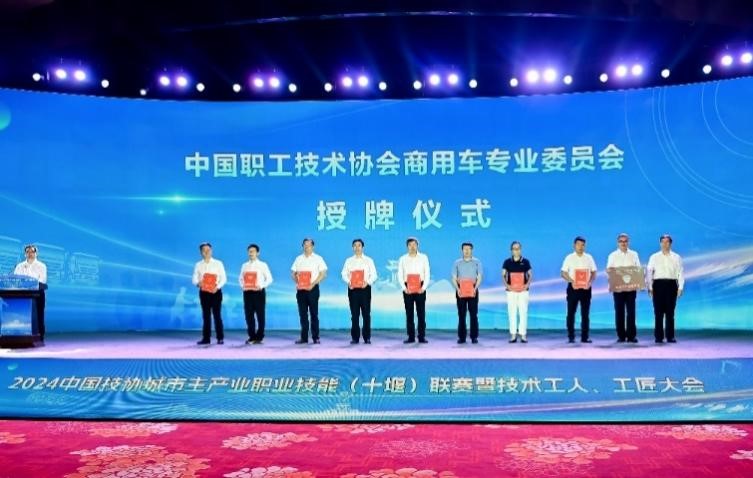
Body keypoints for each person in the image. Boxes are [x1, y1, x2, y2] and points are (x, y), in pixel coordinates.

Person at [646, 234, 684, 344]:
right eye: (662, 242)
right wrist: (650, 287)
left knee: (670, 312)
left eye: (667, 242)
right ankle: (658, 337)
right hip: (658, 285)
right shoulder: (654, 257)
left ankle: (670, 336)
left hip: (671, 285)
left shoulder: (677, 257)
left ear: (670, 243)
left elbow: (680, 272)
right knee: (658, 312)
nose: (665, 244)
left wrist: (680, 287)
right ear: (660, 243)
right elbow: (649, 272)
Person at [560, 236, 597, 344]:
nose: (581, 247)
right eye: (578, 244)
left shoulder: (589, 258)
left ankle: (585, 337)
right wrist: (572, 281)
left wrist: (589, 283)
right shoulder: (569, 258)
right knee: (571, 313)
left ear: (585, 246)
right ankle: (571, 337)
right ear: (574, 245)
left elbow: (594, 272)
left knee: (585, 314)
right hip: (573, 289)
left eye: (583, 245)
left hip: (586, 289)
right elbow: (563, 273)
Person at [341, 238, 378, 344]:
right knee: (354, 314)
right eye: (355, 246)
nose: (357, 248)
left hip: (365, 289)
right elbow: (343, 274)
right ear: (352, 248)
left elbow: (374, 275)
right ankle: (355, 338)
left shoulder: (369, 260)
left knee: (366, 314)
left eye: (359, 245)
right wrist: (349, 282)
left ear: (363, 247)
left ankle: (367, 337)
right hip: (353, 290)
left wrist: (367, 282)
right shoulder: (348, 261)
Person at [291, 238, 327, 344]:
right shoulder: (298, 259)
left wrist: (313, 284)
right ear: (302, 246)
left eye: (309, 245)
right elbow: (293, 273)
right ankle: (304, 338)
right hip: (301, 290)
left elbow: (323, 274)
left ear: (313, 247)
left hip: (313, 289)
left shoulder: (318, 258)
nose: (306, 247)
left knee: (314, 314)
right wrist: (297, 282)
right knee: (302, 314)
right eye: (304, 245)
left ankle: (316, 337)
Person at [606, 233, 641, 343]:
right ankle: (621, 336)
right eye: (621, 241)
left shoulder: (634, 254)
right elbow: (608, 270)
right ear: (618, 243)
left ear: (628, 242)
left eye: (625, 241)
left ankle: (631, 336)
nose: (623, 243)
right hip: (618, 287)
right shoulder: (612, 255)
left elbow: (638, 269)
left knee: (631, 312)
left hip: (631, 287)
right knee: (619, 312)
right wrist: (617, 273)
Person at [191, 242, 227, 345]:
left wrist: (217, 287)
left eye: (208, 250)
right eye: (204, 250)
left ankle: (220, 338)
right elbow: (194, 278)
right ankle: (206, 338)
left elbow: (224, 278)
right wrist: (198, 283)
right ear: (201, 252)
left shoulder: (218, 263)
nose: (206, 252)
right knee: (206, 315)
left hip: (216, 292)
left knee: (217, 315)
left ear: (211, 251)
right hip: (204, 293)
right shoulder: (198, 265)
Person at [398, 237, 430, 344]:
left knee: (421, 313)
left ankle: (421, 336)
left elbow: (427, 273)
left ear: (417, 246)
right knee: (409, 313)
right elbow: (400, 274)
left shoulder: (423, 257)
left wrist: (423, 287)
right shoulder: (403, 259)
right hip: (407, 287)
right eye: (410, 245)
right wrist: (404, 288)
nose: (412, 247)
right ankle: (411, 337)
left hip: (420, 286)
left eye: (414, 244)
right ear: (407, 246)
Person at [239, 243, 273, 345]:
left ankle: (259, 336)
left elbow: (269, 279)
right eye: (249, 252)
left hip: (259, 292)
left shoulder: (263, 265)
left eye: (253, 251)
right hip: (247, 293)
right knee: (248, 315)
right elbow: (241, 278)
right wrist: (242, 286)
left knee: (260, 315)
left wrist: (261, 285)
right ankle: (252, 336)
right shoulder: (244, 265)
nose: (251, 253)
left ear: (258, 253)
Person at [14, 244, 48, 342]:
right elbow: (16, 279)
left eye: (32, 251)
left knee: (39, 315)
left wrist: (29, 283)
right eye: (28, 252)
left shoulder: (42, 266)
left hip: (37, 294)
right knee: (22, 315)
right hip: (22, 295)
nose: (30, 253)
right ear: (25, 254)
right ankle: (22, 336)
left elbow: (42, 280)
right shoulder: (20, 266)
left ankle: (40, 336)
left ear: (36, 253)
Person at [502, 241, 533, 343]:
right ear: (511, 250)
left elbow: (530, 275)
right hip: (511, 292)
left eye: (518, 248)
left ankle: (523, 335)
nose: (516, 250)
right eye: (514, 249)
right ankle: (513, 335)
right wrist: (508, 286)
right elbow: (503, 275)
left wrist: (526, 285)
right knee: (512, 313)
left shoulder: (526, 261)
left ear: (521, 249)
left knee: (523, 312)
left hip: (523, 292)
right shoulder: (507, 262)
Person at [452, 242, 482, 344]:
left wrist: (475, 288)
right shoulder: (457, 263)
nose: (467, 251)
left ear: (472, 250)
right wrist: (458, 289)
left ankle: (474, 337)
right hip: (461, 290)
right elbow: (454, 277)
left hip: (473, 290)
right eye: (465, 249)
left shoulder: (477, 262)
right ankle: (462, 337)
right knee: (461, 315)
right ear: (462, 250)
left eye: (469, 249)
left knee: (473, 314)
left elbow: (479, 277)